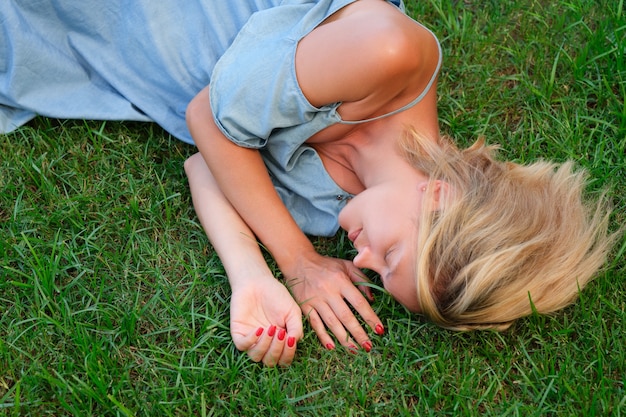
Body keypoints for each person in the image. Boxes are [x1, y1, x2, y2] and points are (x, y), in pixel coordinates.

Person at [1, 0, 615, 368]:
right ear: (440, 196)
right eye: (391, 253)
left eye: (375, 273)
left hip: (123, 51)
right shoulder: (389, 53)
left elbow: (205, 166)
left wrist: (253, 277)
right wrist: (297, 261)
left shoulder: (342, 208)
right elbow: (206, 118)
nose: (361, 258)